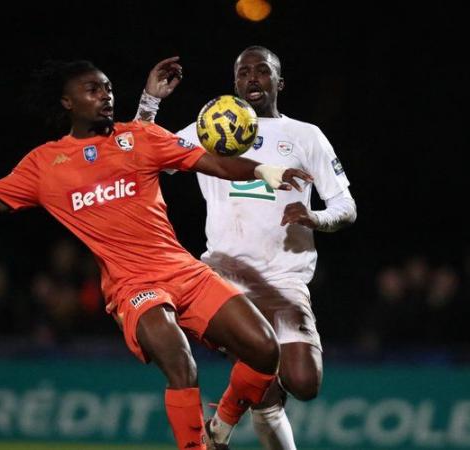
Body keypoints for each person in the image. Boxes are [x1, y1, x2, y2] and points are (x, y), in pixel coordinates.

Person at [0, 57, 314, 450]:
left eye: (108, 88)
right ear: (67, 101)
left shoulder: (141, 138)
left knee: (264, 350)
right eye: (93, 89)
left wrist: (264, 169)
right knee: (179, 359)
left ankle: (219, 425)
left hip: (183, 270)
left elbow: (216, 163)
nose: (105, 94)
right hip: (133, 287)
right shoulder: (44, 165)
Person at [134, 46, 356, 449]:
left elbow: (345, 205)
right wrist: (149, 103)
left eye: (262, 71)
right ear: (234, 83)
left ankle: (220, 424)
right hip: (224, 277)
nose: (252, 78)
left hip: (284, 279)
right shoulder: (208, 129)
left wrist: (316, 218)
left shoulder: (305, 136)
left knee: (302, 383)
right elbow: (138, 154)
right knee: (265, 393)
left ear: (279, 82)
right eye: (243, 73)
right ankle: (221, 426)